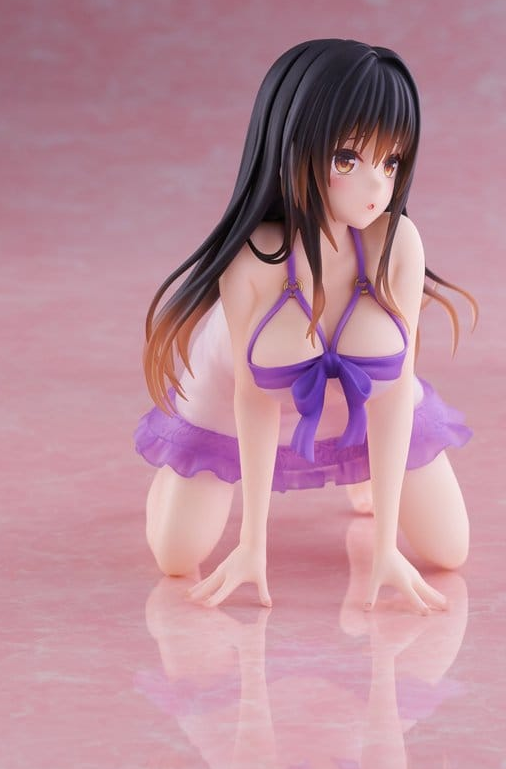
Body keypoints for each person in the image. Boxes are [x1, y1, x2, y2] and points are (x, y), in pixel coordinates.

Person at [135, 39, 476, 612]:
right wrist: (252, 545)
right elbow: (253, 399)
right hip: (238, 397)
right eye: (347, 159)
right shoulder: (255, 260)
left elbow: (394, 393)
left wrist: (387, 547)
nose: (377, 187)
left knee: (450, 550)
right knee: (176, 556)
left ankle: (361, 468)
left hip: (366, 403)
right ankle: (172, 481)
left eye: (391, 162)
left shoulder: (396, 245)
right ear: (290, 147)